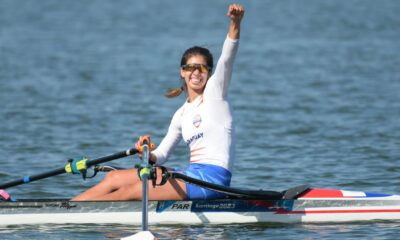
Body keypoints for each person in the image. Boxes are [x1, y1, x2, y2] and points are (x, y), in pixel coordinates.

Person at [71, 4, 245, 201]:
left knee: (132, 191)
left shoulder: (215, 94)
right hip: (191, 175)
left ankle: (71, 213)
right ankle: (69, 206)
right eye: (190, 67)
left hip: (212, 182)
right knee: (114, 178)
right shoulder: (181, 114)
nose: (196, 72)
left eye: (202, 68)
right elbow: (160, 156)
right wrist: (145, 153)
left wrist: (235, 23)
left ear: (209, 73)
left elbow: (227, 57)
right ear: (182, 71)